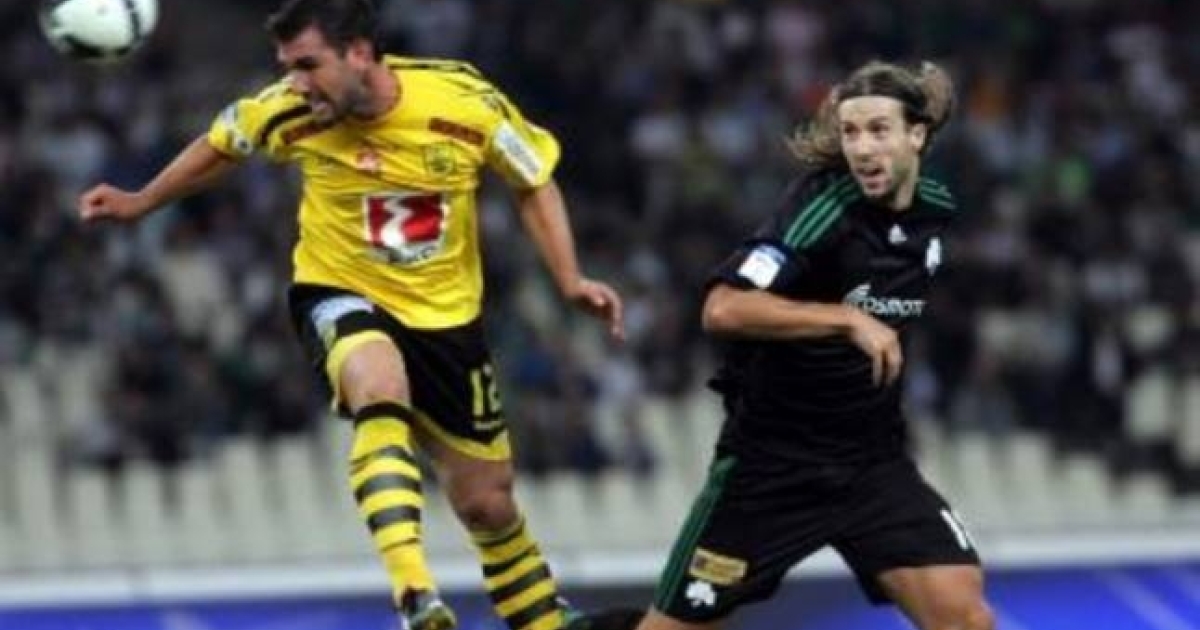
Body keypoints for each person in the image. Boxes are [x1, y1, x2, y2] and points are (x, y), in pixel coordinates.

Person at [77, 1, 625, 629]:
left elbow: (532, 180)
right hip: (339, 291)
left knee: (488, 504)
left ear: (360, 53)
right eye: (287, 66)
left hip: (445, 320)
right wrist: (141, 201)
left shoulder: (463, 101)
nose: (296, 83)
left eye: (308, 65)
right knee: (378, 384)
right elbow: (220, 145)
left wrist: (569, 278)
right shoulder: (285, 110)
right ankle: (415, 593)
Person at [627, 60, 995, 630]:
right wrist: (846, 320)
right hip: (772, 469)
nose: (862, 148)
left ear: (917, 135)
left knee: (966, 616)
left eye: (878, 130)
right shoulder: (822, 207)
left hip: (871, 466)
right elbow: (723, 308)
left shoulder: (937, 210)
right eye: (851, 132)